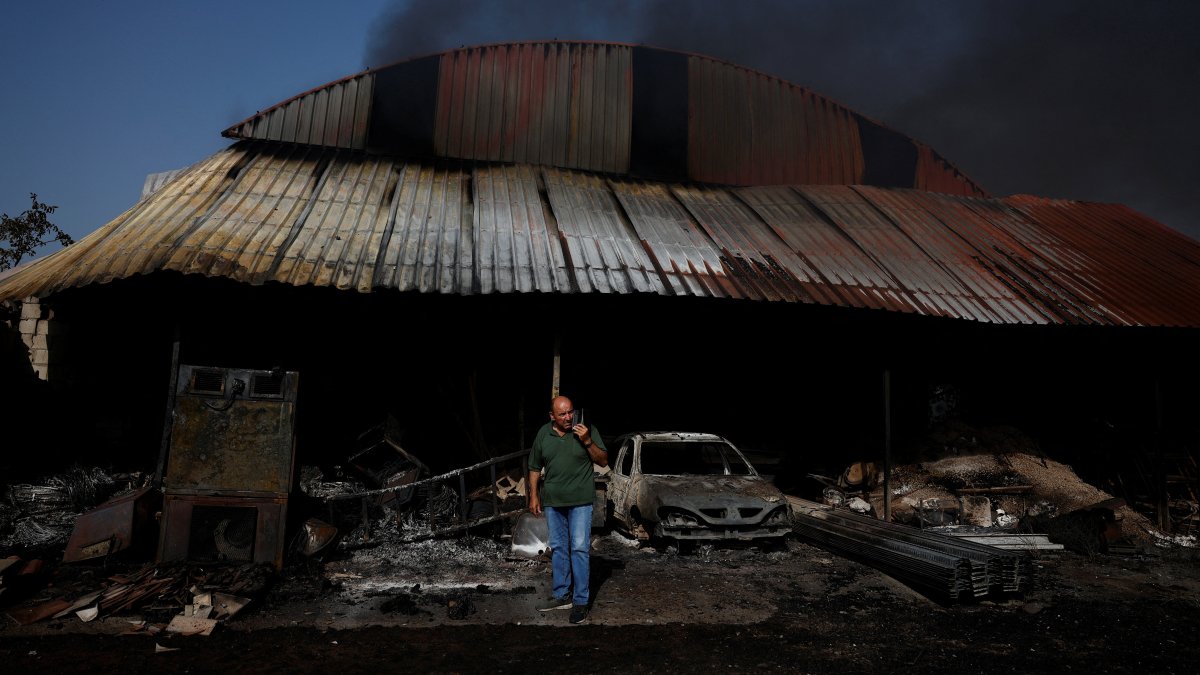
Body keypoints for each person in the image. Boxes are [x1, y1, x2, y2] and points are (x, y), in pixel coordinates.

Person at [528, 395, 608, 624]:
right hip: (554, 502)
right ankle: (561, 595)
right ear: (552, 416)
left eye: (570, 412)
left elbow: (603, 460)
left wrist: (588, 441)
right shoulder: (544, 433)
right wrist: (534, 495)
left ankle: (581, 601)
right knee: (559, 548)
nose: (568, 417)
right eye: (562, 414)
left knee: (579, 548)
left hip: (580, 501)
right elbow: (534, 466)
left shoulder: (586, 429)